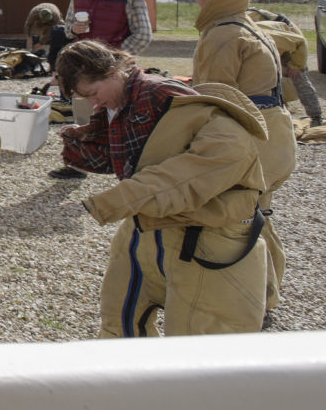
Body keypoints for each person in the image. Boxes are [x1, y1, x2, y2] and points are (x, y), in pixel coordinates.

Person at [56, 40, 270, 337]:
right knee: (119, 322)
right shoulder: (123, 106)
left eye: (94, 94)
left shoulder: (175, 102)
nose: (95, 103)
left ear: (113, 71)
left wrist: (120, 199)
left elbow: (199, 168)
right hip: (148, 228)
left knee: (198, 348)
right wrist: (73, 143)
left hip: (202, 235)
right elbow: (126, 157)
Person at [190, 0, 293, 317]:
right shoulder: (247, 24)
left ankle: (258, 300)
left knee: (243, 218)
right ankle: (267, 294)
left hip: (250, 132)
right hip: (273, 129)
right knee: (259, 211)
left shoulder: (223, 34)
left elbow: (215, 95)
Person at [53, 0, 155, 177]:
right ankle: (80, 164)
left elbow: (143, 35)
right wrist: (72, 29)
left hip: (114, 72)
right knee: (83, 115)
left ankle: (128, 165)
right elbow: (68, 27)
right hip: (82, 70)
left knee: (118, 117)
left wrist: (114, 58)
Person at [249, 4, 324, 126]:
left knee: (298, 77)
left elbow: (300, 42)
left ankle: (316, 117)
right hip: (264, 42)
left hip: (291, 41)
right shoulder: (230, 36)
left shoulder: (264, 35)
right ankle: (278, 111)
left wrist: (296, 65)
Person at [24, 2, 68, 72]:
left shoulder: (56, 17)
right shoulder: (34, 14)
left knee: (58, 32)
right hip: (38, 20)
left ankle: (55, 57)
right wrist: (29, 38)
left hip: (53, 20)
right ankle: (33, 51)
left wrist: (41, 43)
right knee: (34, 31)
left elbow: (53, 31)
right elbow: (28, 25)